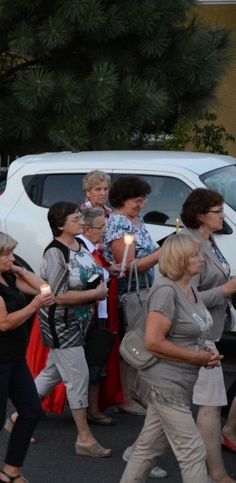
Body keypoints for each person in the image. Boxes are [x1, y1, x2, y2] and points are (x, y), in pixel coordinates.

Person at [120, 235, 221, 483]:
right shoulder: (166, 290)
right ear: (179, 260)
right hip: (165, 384)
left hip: (180, 381)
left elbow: (189, 331)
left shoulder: (190, 285)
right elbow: (153, 341)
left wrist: (205, 353)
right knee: (193, 450)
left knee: (148, 449)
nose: (202, 259)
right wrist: (196, 358)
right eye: (196, 255)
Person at [0, 231, 53, 483]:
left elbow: (43, 287)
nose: (11, 257)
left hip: (14, 358)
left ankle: (11, 471)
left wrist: (18, 269)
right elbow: (4, 322)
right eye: (6, 253)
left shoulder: (6, 275)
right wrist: (33, 306)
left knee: (30, 411)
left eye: (12, 252)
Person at [32, 202, 111, 457]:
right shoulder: (55, 252)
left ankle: (16, 418)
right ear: (59, 225)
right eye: (75, 219)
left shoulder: (79, 245)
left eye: (80, 217)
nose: (81, 222)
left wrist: (95, 285)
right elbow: (57, 296)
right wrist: (95, 293)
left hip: (80, 321)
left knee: (51, 375)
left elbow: (85, 277)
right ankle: (84, 440)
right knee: (78, 377)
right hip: (61, 323)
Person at [180, 188, 236, 483]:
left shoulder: (207, 239)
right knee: (210, 403)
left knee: (169, 408)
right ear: (201, 215)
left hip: (211, 328)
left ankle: (139, 455)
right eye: (217, 211)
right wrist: (226, 290)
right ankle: (215, 472)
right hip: (197, 334)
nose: (222, 215)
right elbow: (187, 294)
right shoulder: (191, 244)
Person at [104, 175, 160, 416]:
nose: (142, 205)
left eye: (144, 200)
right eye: (137, 201)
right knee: (128, 345)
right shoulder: (119, 225)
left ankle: (133, 390)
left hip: (144, 291)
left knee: (141, 342)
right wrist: (162, 254)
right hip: (128, 295)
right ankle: (124, 396)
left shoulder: (136, 220)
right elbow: (127, 266)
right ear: (123, 200)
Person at [77, 207, 122, 424]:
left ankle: (92, 409)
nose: (105, 231)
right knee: (76, 366)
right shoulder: (80, 251)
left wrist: (108, 271)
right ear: (86, 229)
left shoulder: (93, 250)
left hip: (97, 312)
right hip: (85, 313)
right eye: (101, 227)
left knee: (96, 361)